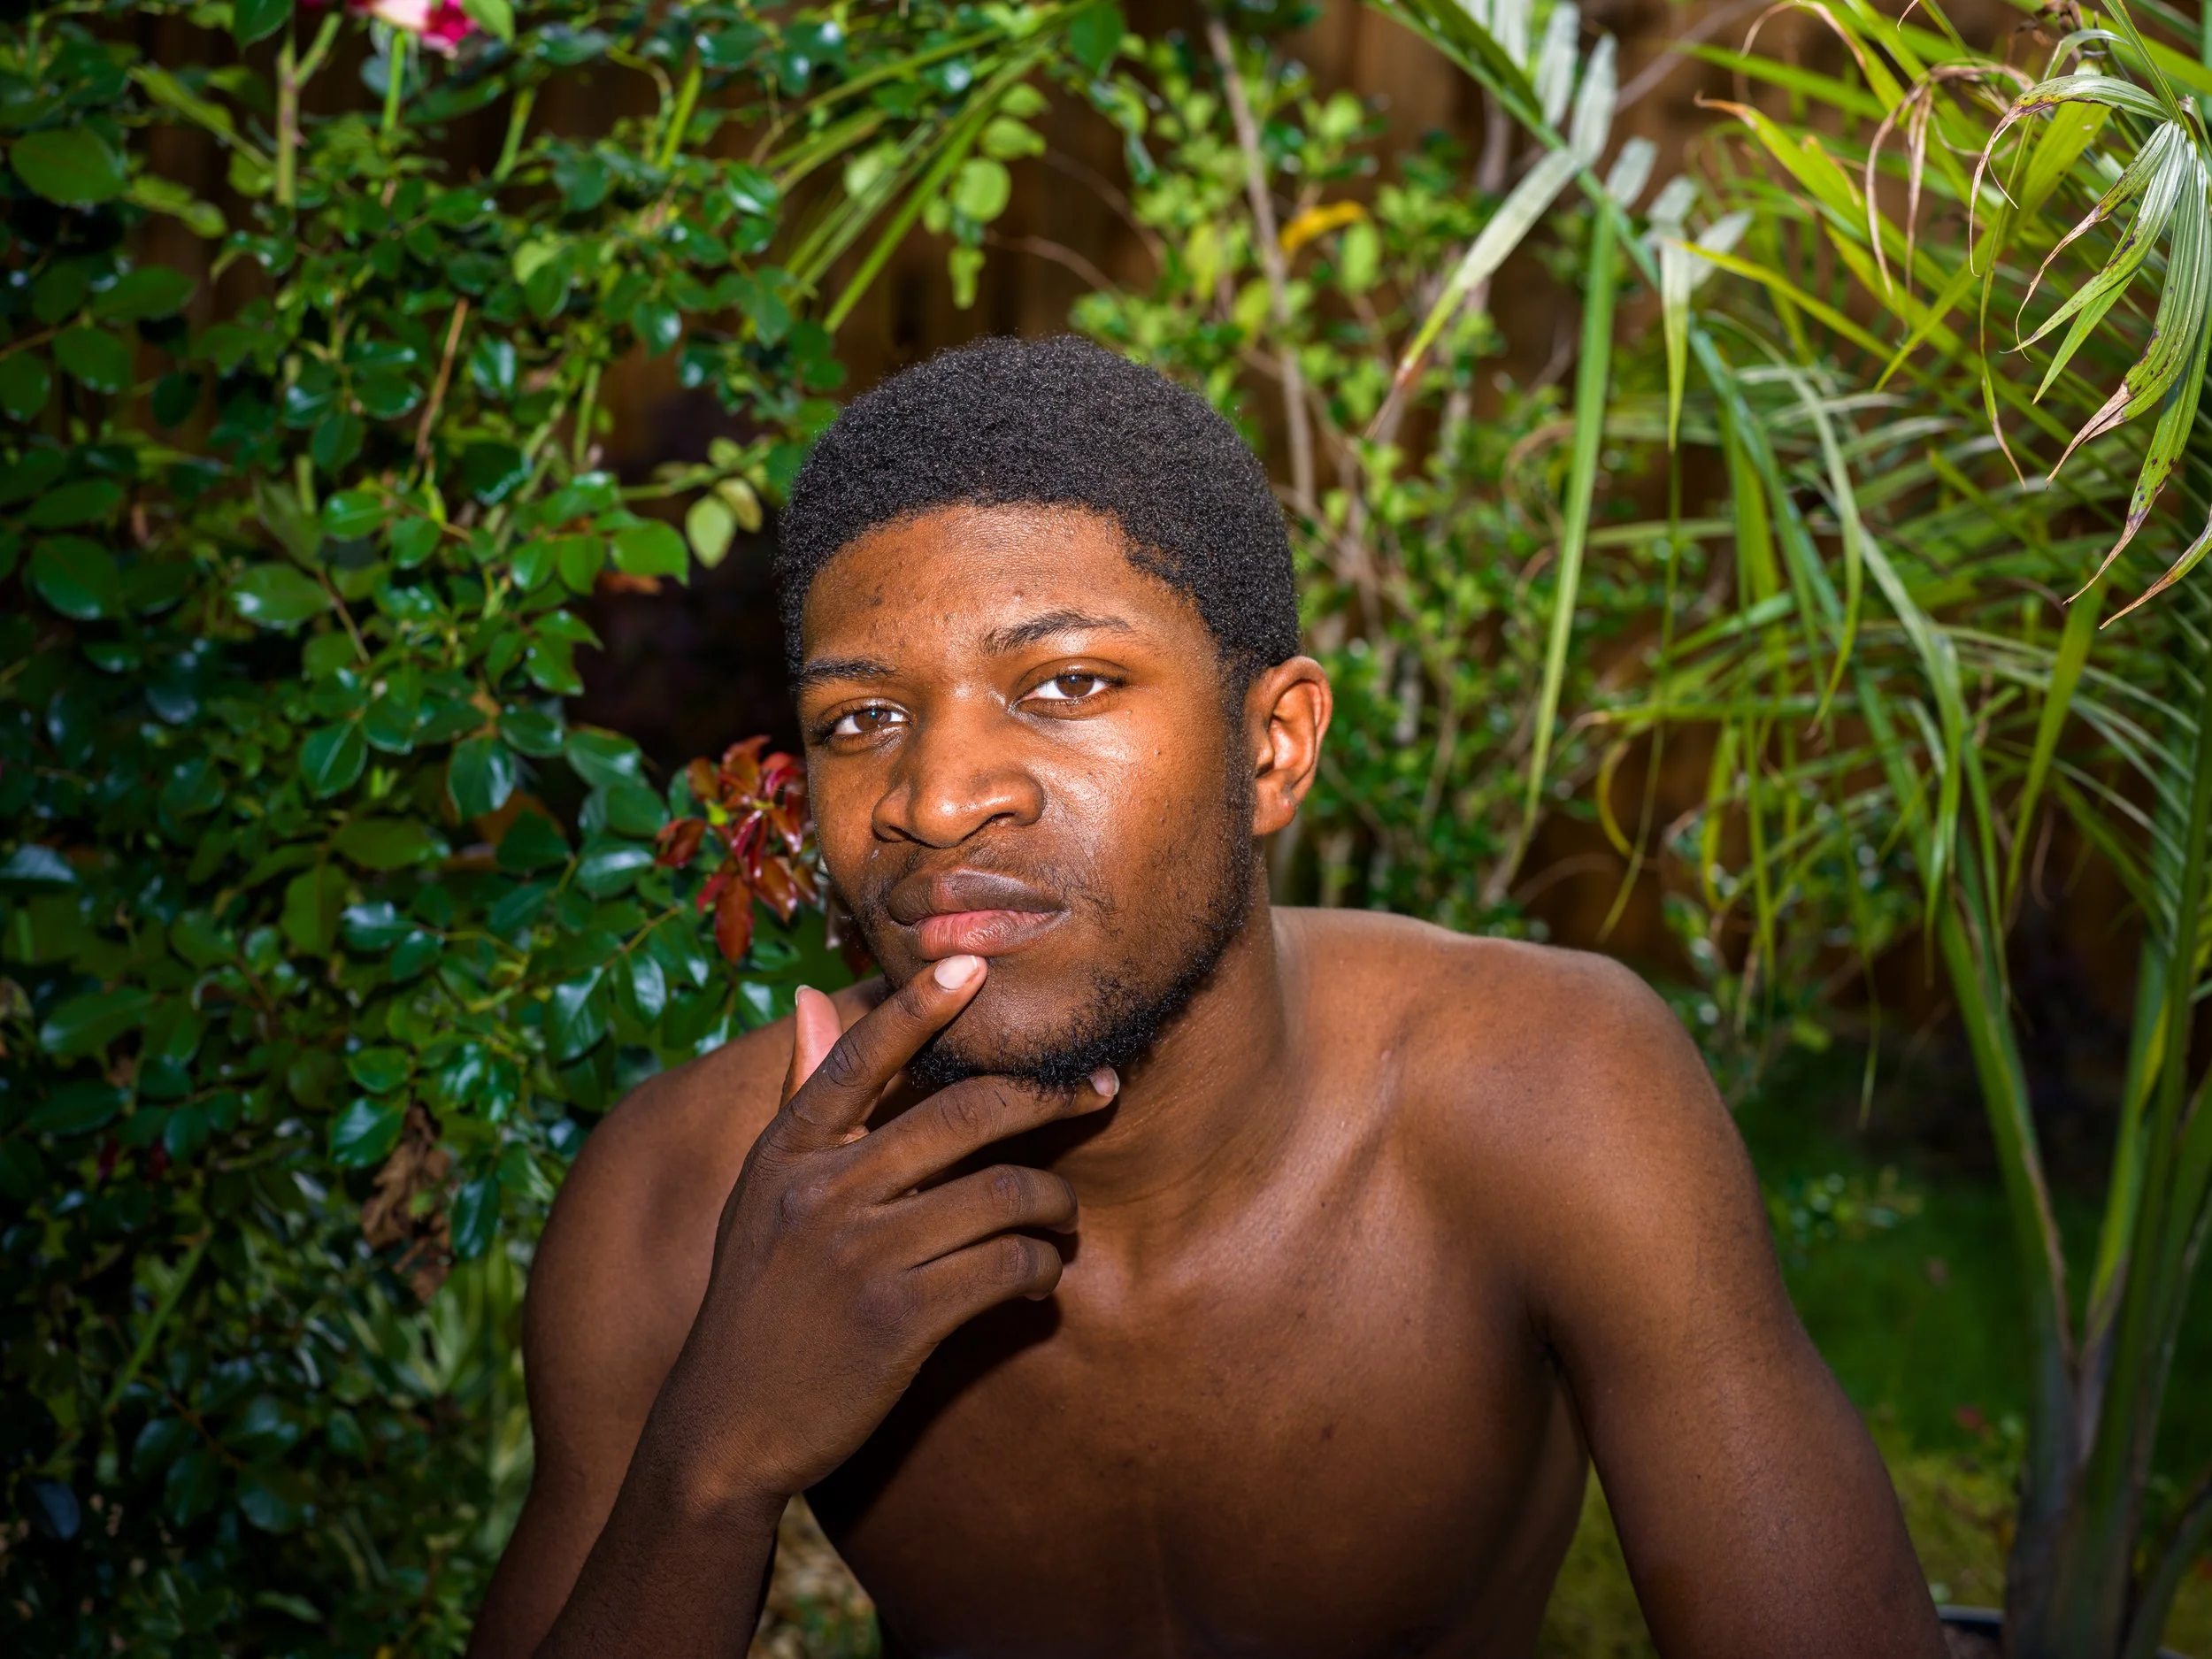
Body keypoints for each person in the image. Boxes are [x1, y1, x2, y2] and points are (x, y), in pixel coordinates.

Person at [469, 335, 1948, 1658]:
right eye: (865, 718)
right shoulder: (688, 1204)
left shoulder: (1545, 1098)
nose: (935, 796)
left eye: (1065, 684)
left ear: (1274, 747)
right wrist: (712, 1463)